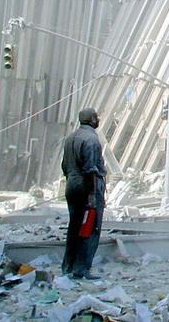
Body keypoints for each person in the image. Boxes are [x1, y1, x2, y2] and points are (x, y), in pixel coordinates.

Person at [61, 107, 107, 279]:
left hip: (71, 184)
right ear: (93, 120)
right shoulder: (92, 140)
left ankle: (68, 266)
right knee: (90, 227)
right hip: (88, 187)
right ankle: (82, 269)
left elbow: (64, 166)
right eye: (97, 117)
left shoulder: (70, 138)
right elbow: (91, 169)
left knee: (74, 227)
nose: (98, 119)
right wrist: (92, 196)